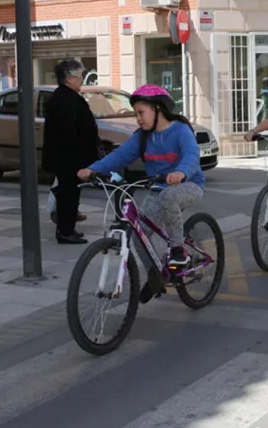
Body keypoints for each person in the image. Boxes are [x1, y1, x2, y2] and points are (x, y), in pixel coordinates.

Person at [78, 85, 204, 302]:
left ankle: (178, 251)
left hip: (189, 185)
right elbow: (120, 156)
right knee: (139, 234)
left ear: (158, 109)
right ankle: (155, 275)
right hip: (158, 188)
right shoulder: (143, 137)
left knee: (169, 196)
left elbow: (192, 154)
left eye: (141, 113)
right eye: (136, 113)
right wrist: (93, 169)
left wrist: (181, 172)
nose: (138, 118)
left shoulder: (180, 130)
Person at [42, 59, 101, 244]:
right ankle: (65, 231)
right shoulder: (64, 99)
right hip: (69, 158)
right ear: (68, 79)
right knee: (68, 195)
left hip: (70, 157)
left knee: (71, 194)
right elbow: (68, 131)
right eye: (79, 76)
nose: (82, 80)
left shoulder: (66, 97)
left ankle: (68, 229)